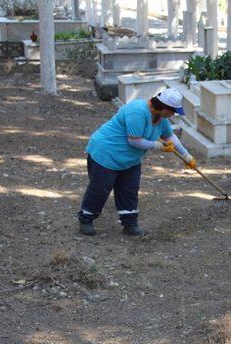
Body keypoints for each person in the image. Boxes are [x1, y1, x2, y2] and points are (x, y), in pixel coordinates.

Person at [77, 88, 196, 236]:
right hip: (106, 153)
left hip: (130, 159)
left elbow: (170, 137)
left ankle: (130, 224)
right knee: (100, 188)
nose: (173, 114)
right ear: (164, 108)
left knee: (129, 189)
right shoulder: (137, 111)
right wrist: (157, 145)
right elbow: (134, 140)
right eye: (173, 111)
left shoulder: (161, 118)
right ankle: (86, 218)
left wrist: (187, 156)